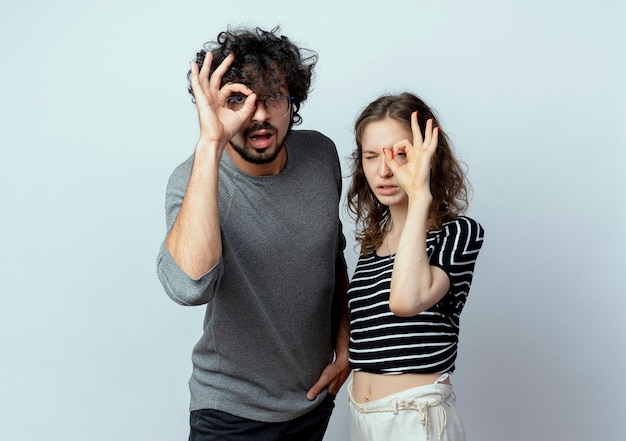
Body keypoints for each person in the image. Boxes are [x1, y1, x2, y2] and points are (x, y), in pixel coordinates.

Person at [156, 26, 350, 441]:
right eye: (238, 100)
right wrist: (211, 141)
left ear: (292, 100)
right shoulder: (192, 181)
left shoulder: (320, 155)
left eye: (273, 96)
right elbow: (188, 287)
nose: (257, 114)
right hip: (230, 413)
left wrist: (345, 347)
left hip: (312, 403)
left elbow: (332, 261)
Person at [345, 92, 485, 440]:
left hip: (415, 419)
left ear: (429, 157)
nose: (384, 170)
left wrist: (420, 194)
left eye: (400, 154)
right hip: (362, 418)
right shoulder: (372, 243)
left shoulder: (457, 233)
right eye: (371, 156)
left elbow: (405, 302)